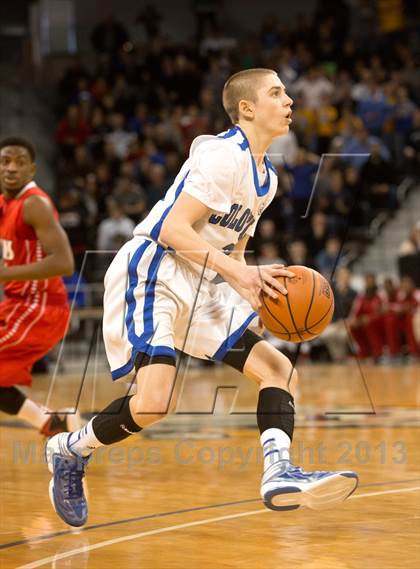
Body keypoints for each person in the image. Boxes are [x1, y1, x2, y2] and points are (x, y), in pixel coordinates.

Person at [46, 69, 358, 527]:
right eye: (277, 92)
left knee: (277, 367)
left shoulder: (266, 180)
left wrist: (253, 291)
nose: (289, 99)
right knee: (153, 403)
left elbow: (234, 251)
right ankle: (69, 449)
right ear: (247, 108)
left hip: (202, 279)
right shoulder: (220, 156)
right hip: (154, 271)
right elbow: (172, 230)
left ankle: (278, 471)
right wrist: (238, 273)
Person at [0, 137, 79, 436]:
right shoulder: (6, 203)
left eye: (19, 162)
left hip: (40, 308)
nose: (11, 168)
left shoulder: (34, 204)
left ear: (32, 170)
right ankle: (54, 425)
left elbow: (65, 262)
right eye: (5, 161)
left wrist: (4, 275)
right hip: (17, 305)